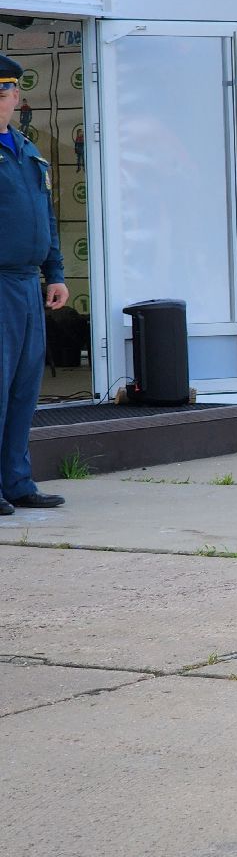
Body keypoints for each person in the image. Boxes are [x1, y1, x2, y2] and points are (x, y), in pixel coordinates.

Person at [0, 54, 68, 517]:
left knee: (25, 388)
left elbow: (46, 219)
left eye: (4, 91)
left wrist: (57, 274)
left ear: (17, 97)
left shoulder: (28, 152)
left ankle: (17, 481)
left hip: (27, 284)